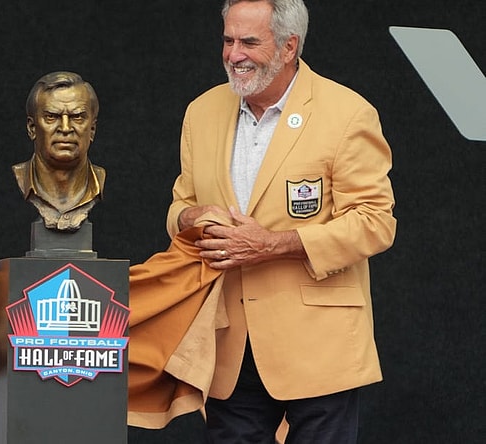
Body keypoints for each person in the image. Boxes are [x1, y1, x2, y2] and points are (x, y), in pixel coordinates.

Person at [166, 0, 397, 443]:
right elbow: (181, 206)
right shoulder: (202, 111)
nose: (234, 54)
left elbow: (374, 222)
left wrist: (272, 245)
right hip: (230, 346)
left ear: (289, 46)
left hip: (320, 348)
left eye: (250, 42)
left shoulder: (347, 113)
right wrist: (189, 216)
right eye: (228, 40)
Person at [12, 71, 105, 231]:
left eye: (77, 117)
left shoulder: (98, 182)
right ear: (32, 128)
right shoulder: (21, 176)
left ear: (92, 130)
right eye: (51, 117)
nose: (65, 128)